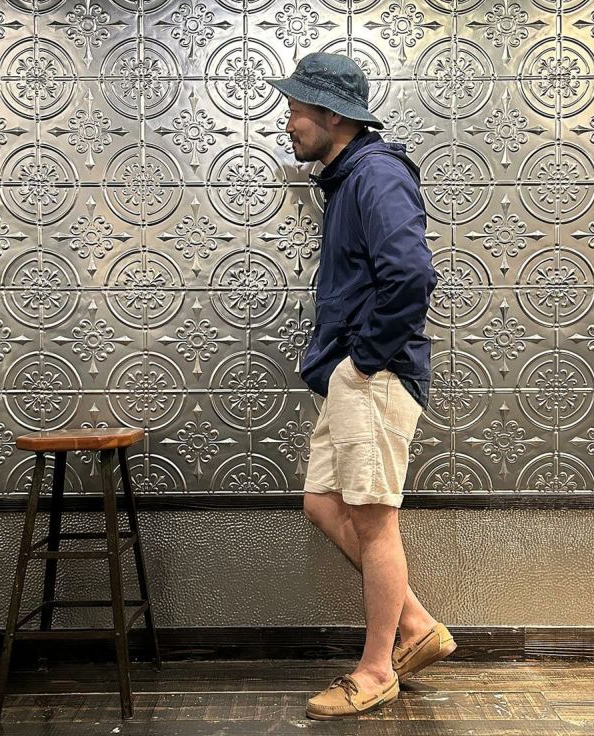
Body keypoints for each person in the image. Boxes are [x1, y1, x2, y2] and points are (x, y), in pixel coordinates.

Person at [266, 53, 455, 721]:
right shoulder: (348, 181)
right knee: (323, 503)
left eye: (296, 111)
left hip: (373, 375)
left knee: (374, 522)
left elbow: (412, 275)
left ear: (332, 115)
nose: (289, 123)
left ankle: (376, 671)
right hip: (351, 376)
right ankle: (417, 626)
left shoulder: (376, 175)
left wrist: (363, 361)